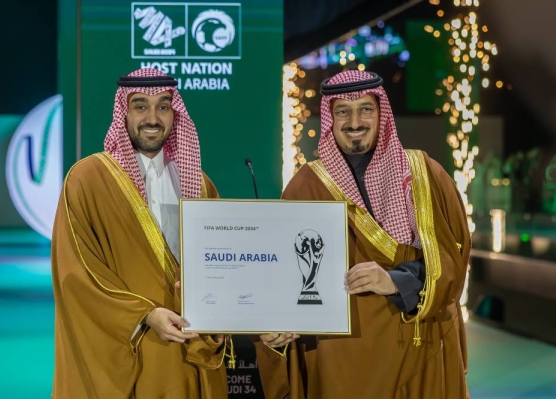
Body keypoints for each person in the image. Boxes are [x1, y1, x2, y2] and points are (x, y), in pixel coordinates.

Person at [255, 70, 471, 399]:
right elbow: (281, 276)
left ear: (381, 113)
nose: (355, 121)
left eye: (365, 109)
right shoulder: (306, 185)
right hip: (343, 359)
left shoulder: (424, 173)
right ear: (330, 117)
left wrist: (397, 280)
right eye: (343, 111)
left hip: (417, 344)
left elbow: (453, 259)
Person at [51, 68, 229, 399]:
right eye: (140, 106)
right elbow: (75, 272)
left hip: (190, 342)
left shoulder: (199, 183)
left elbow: (220, 262)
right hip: (134, 342)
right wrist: (145, 315)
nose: (152, 118)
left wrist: (220, 316)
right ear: (124, 112)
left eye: (163, 106)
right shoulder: (86, 180)